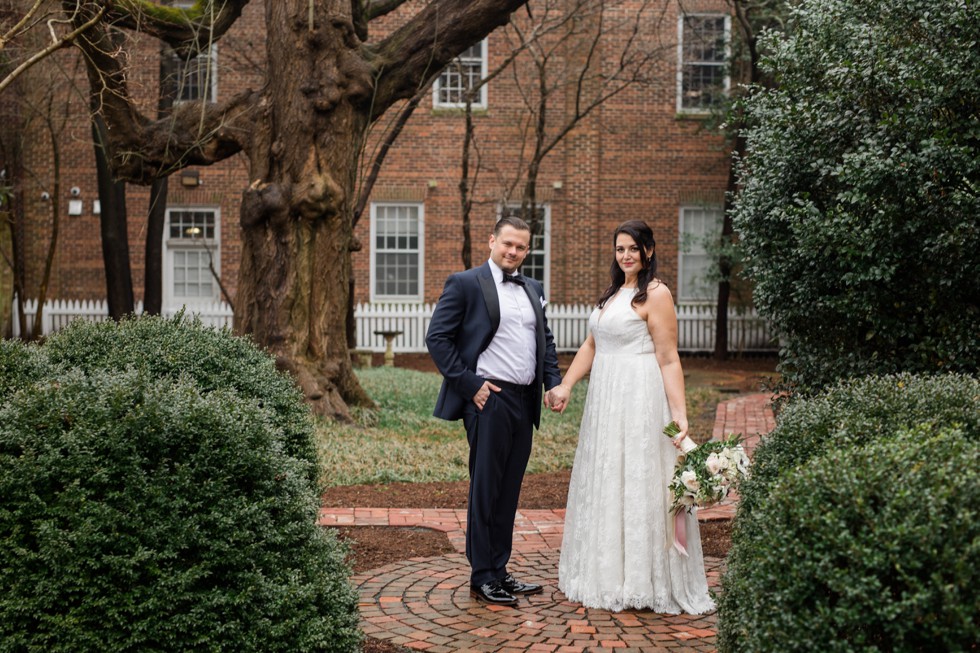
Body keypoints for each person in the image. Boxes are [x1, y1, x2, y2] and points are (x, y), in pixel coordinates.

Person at [545, 219, 715, 614]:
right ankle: (608, 572)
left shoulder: (656, 294)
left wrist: (679, 416)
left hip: (639, 396)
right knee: (609, 477)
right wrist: (567, 385)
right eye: (620, 249)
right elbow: (591, 343)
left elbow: (669, 357)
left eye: (633, 249)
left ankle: (644, 579)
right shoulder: (612, 294)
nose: (626, 256)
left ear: (648, 252)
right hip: (606, 400)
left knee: (641, 479)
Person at [425, 216, 563, 607]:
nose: (513, 252)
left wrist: (552, 381)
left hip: (525, 400)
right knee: (486, 488)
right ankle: (482, 575)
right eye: (507, 244)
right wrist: (470, 385)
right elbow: (437, 338)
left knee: (509, 490)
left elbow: (545, 342)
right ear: (492, 241)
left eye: (520, 247)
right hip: (490, 399)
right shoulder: (466, 283)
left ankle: (500, 569)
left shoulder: (532, 287)